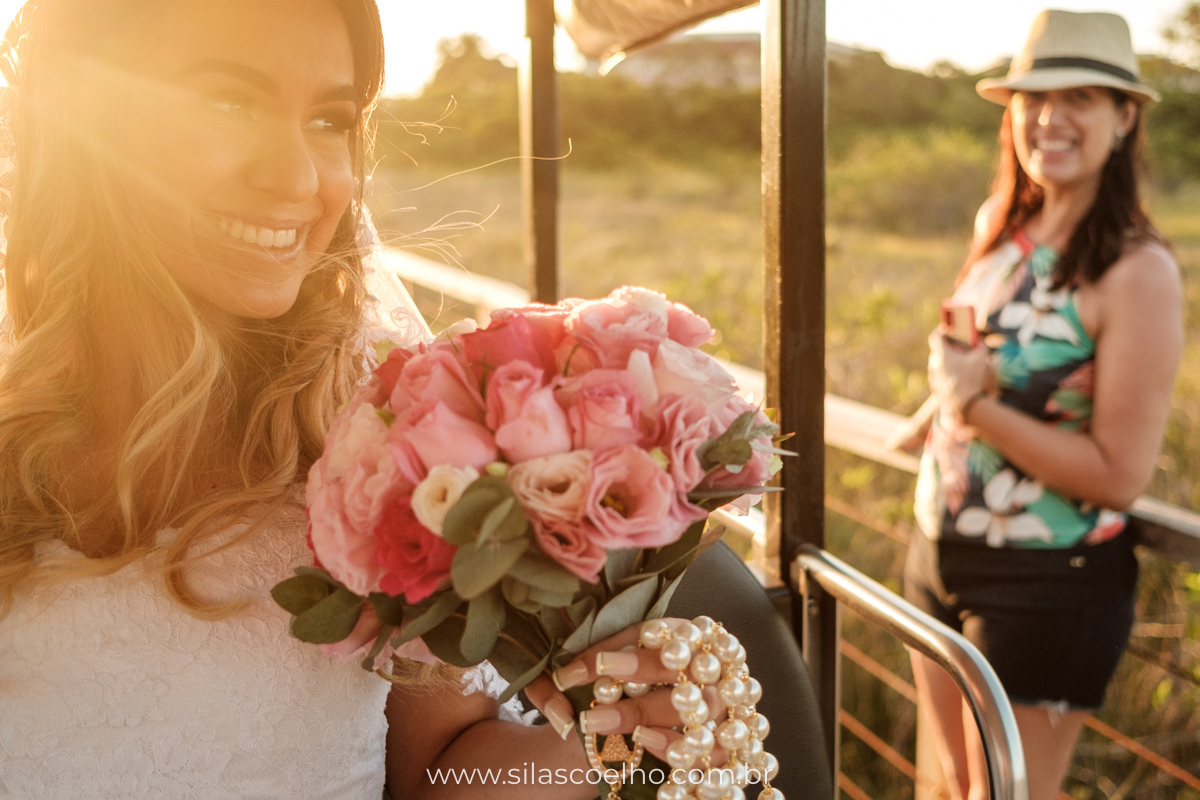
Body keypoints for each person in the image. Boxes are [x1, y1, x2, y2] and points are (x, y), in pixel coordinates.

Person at [0, 1, 724, 797]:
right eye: (229, 101)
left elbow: (439, 772)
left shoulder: (382, 455)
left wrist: (617, 740)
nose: (300, 180)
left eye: (328, 119)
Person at [897, 10, 1184, 800]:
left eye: (1081, 97)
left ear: (1125, 118)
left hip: (1049, 580)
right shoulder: (1002, 224)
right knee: (945, 788)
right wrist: (942, 401)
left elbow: (1117, 475)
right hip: (939, 551)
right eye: (1033, 98)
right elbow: (982, 362)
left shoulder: (1137, 270)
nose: (1049, 118)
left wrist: (975, 409)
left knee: (1002, 797)